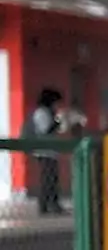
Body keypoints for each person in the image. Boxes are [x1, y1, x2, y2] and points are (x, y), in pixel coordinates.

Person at [21, 87, 65, 215]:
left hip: (50, 151)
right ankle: (46, 205)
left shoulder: (48, 112)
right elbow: (46, 130)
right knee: (48, 179)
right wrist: (58, 121)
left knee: (52, 179)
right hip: (44, 152)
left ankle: (51, 204)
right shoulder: (42, 113)